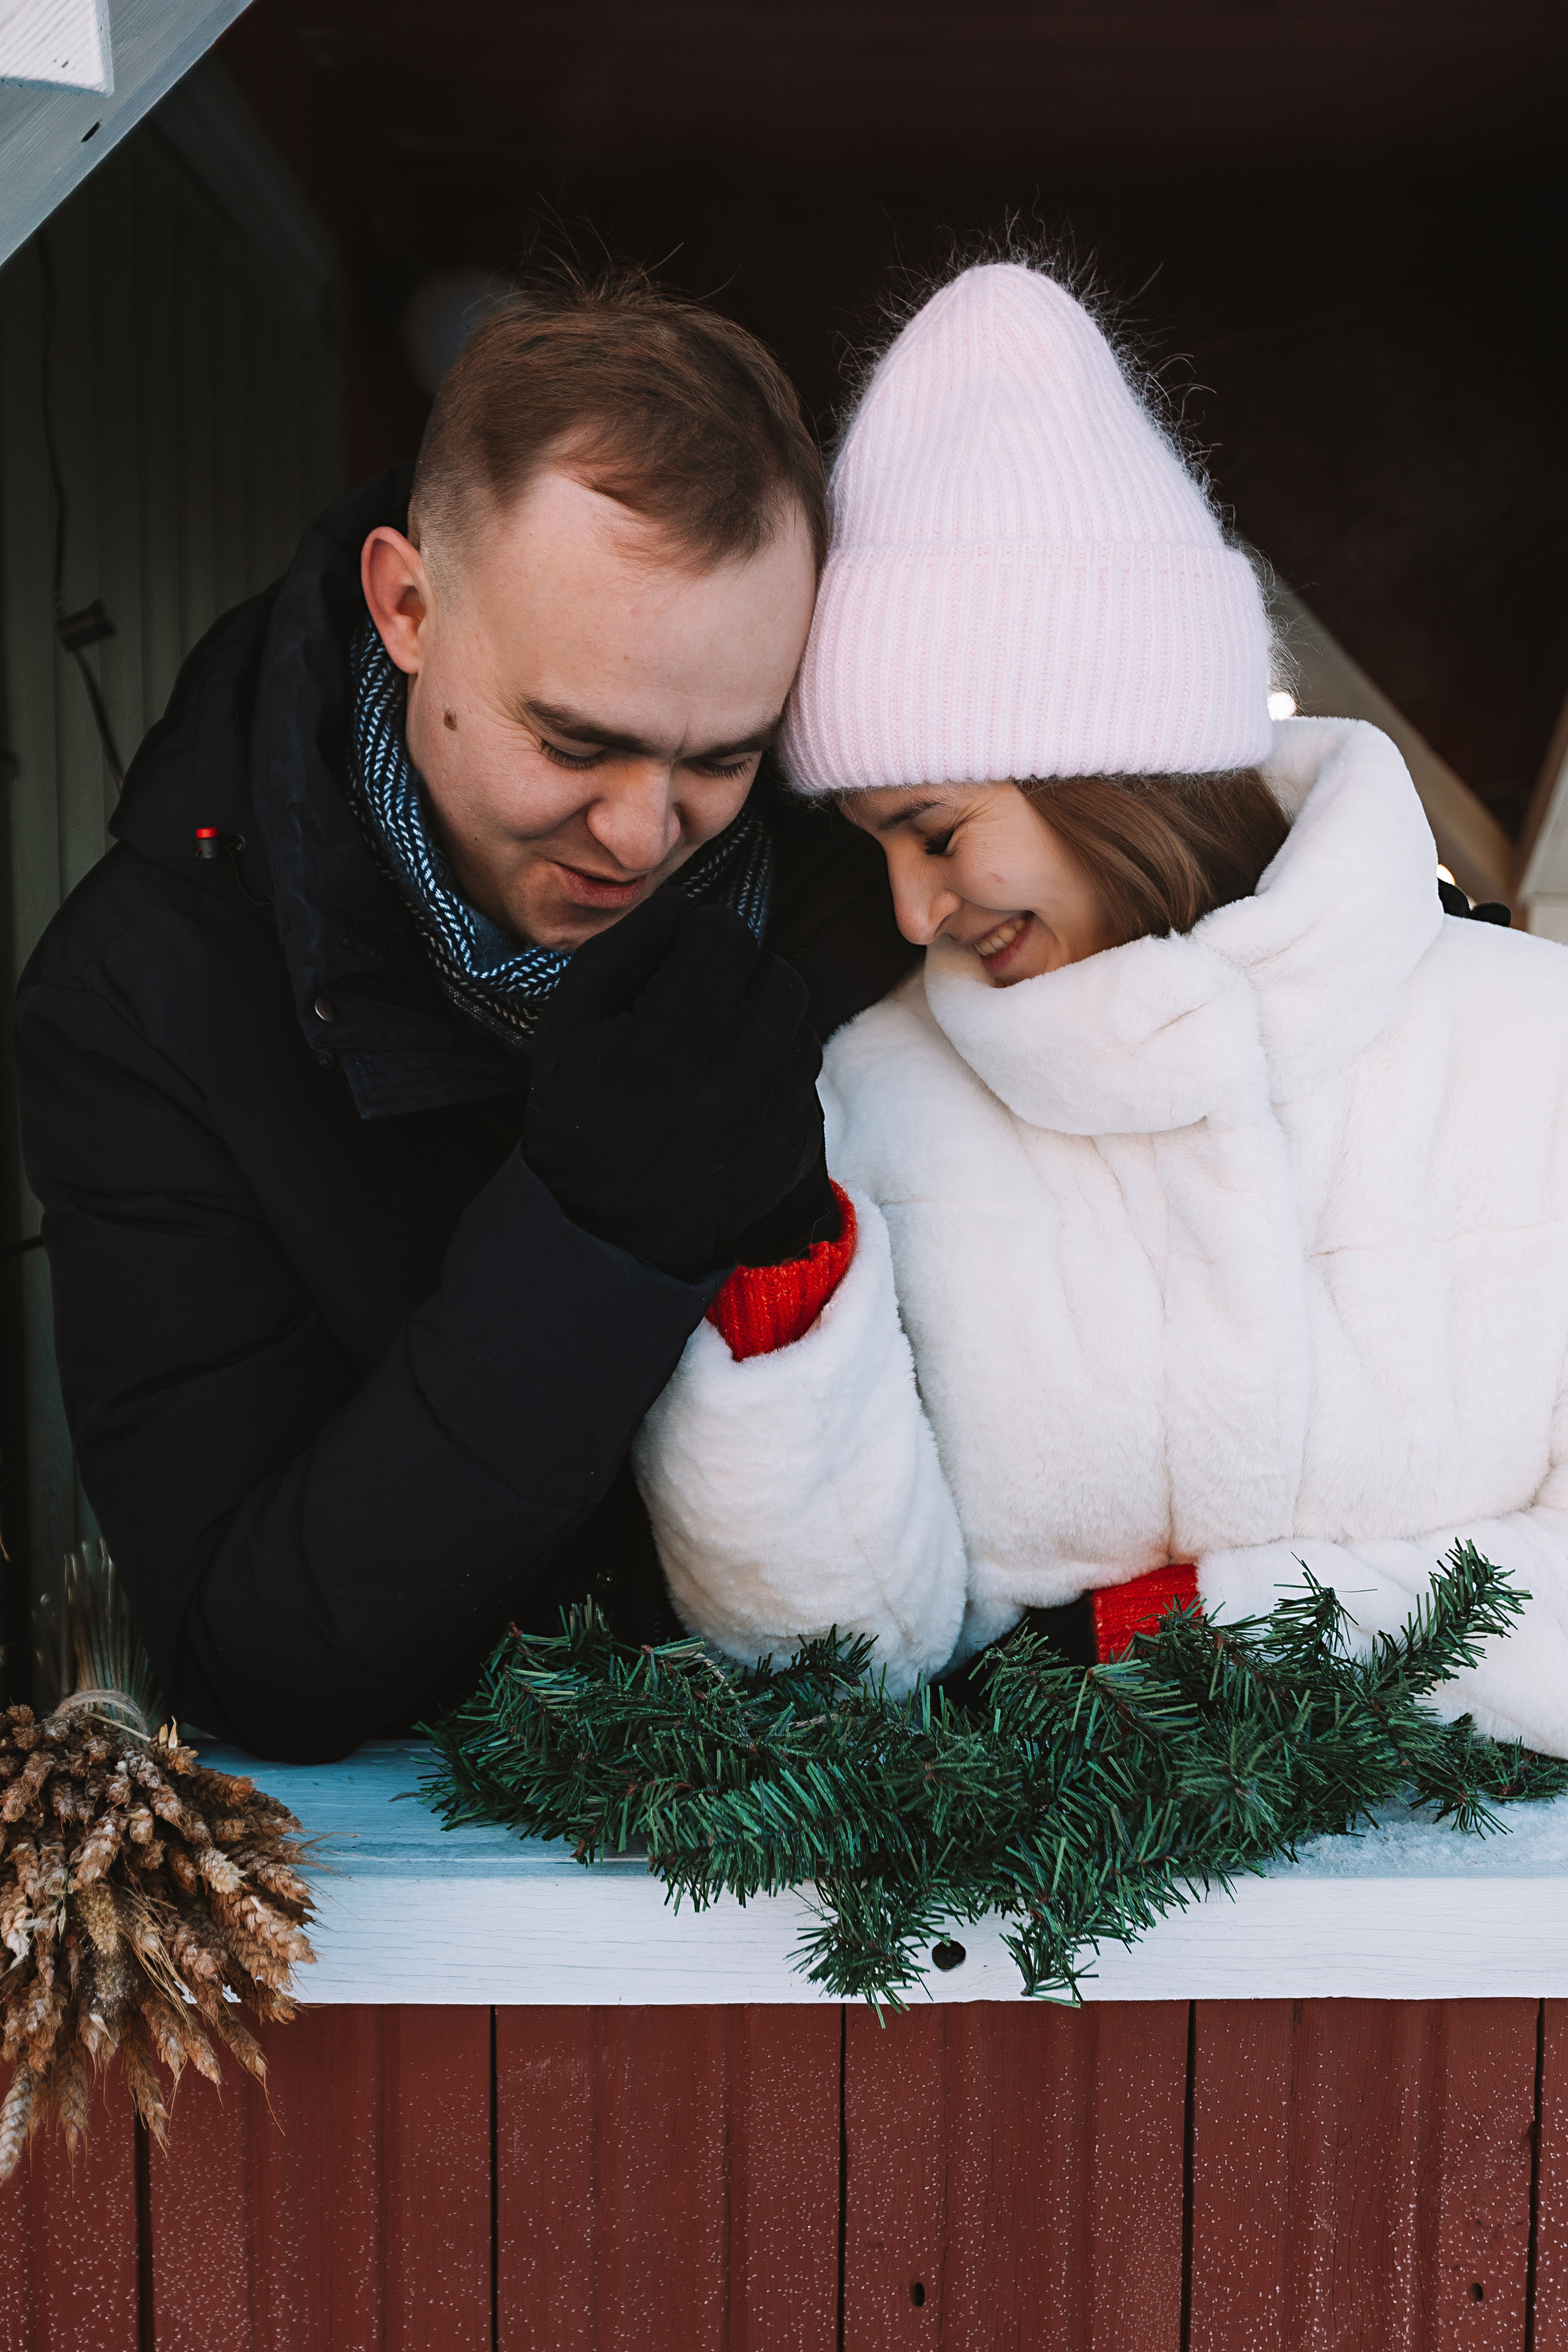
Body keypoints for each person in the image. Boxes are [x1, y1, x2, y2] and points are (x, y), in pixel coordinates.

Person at [633, 259, 1568, 1754]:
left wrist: (1201, 1629)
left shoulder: (1535, 1052)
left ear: (1103, 769)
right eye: (872, 848)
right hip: (1026, 1908)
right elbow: (835, 1670)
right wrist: (777, 1307)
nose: (909, 913)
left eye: (934, 831)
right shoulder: (872, 1099)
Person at [15, 271, 914, 1762]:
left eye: (721, 759)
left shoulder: (870, 891)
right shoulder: (147, 1000)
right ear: (408, 606)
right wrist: (596, 1242)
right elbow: (252, 1653)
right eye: (572, 740)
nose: (643, 835)